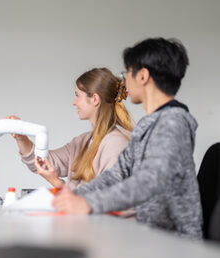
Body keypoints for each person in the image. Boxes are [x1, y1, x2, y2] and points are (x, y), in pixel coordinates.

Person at [52, 38, 203, 239]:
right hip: (151, 236)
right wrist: (75, 196)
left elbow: (148, 182)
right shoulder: (147, 126)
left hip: (174, 243)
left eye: (126, 73)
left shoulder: (173, 123)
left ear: (142, 76)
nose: (124, 82)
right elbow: (116, 174)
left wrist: (89, 203)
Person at [7, 68, 133, 190]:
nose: (74, 102)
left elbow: (105, 197)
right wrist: (21, 138)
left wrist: (57, 183)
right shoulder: (83, 141)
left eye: (77, 95)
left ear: (94, 99)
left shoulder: (116, 143)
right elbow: (45, 162)